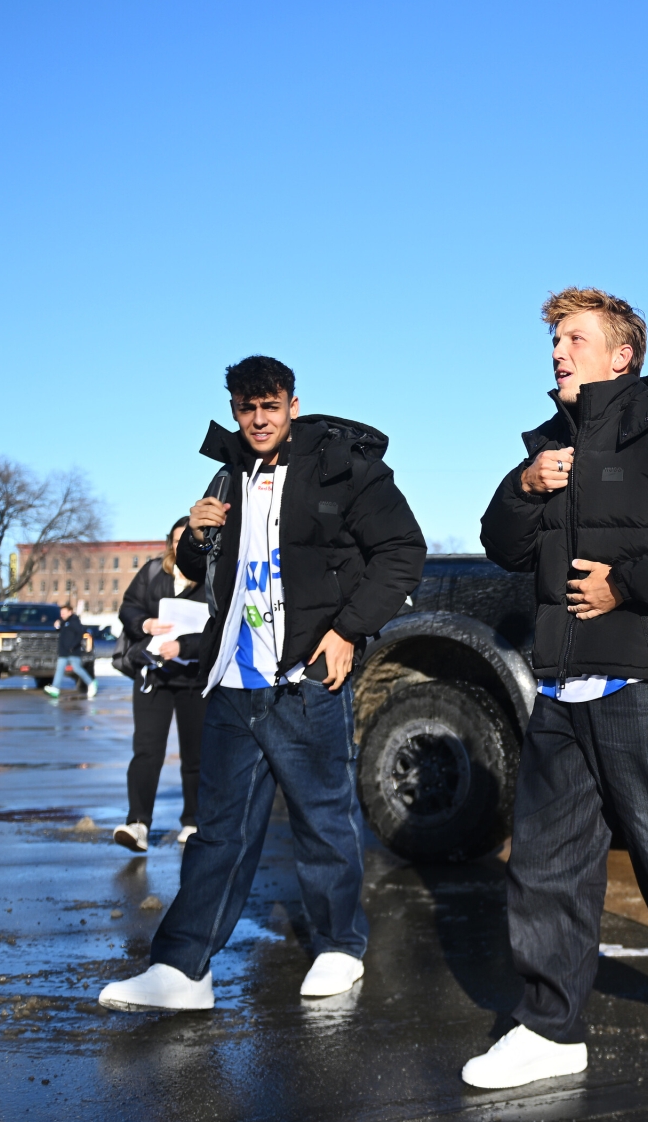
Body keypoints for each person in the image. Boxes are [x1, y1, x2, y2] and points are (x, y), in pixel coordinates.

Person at [465, 288, 648, 1089]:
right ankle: (550, 1027)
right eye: (555, 339)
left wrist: (626, 585)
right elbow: (500, 545)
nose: (558, 352)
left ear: (621, 355)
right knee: (545, 865)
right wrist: (525, 488)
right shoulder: (550, 446)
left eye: (575, 339)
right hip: (562, 687)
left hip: (641, 681)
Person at [97, 355, 426, 1011]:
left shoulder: (343, 466)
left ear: (292, 406)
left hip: (304, 677)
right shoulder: (228, 473)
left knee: (321, 820)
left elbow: (402, 551)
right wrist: (195, 538)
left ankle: (340, 945)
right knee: (218, 834)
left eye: (270, 406)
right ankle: (183, 969)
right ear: (235, 410)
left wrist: (348, 630)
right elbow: (201, 569)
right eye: (246, 408)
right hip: (232, 678)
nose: (258, 419)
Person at [111, 517, 210, 853]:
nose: (182, 547)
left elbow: (219, 628)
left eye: (190, 541)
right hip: (153, 675)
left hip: (195, 680)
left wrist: (184, 647)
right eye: (177, 541)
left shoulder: (212, 576)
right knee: (147, 751)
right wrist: (145, 623)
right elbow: (129, 607)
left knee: (196, 755)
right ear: (170, 543)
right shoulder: (153, 572)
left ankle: (192, 821)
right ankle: (138, 823)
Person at [47, 604, 97, 699]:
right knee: (59, 669)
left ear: (70, 612)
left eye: (64, 612)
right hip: (63, 651)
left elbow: (79, 634)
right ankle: (55, 688)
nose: (62, 614)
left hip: (73, 651)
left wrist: (73, 646)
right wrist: (57, 627)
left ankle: (91, 683)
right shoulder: (63, 622)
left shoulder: (74, 621)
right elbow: (62, 633)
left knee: (77, 668)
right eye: (61, 613)